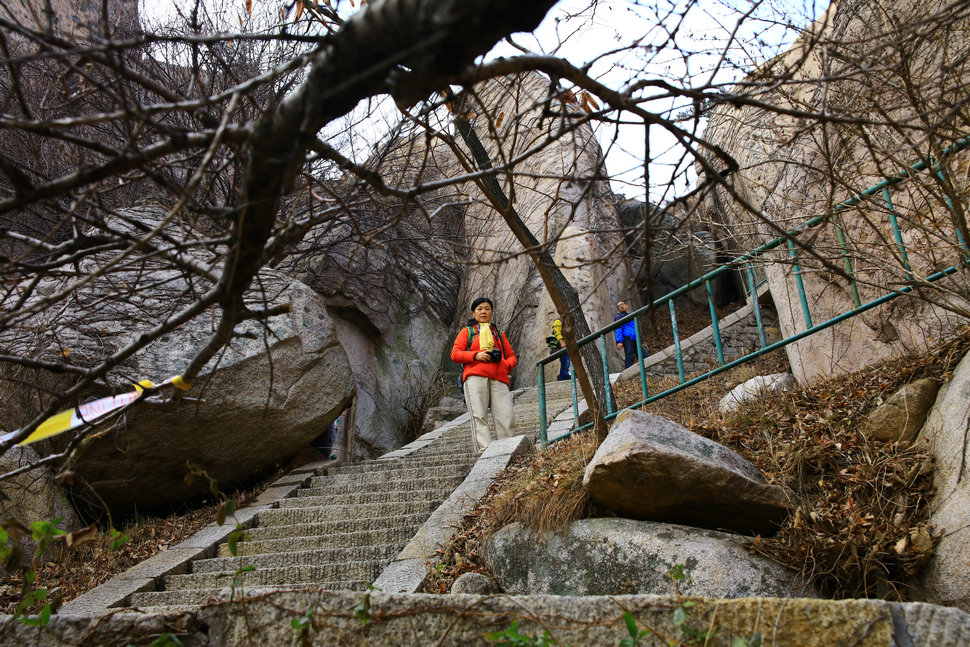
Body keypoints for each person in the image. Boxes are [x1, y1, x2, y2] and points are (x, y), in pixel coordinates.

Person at [451, 297, 518, 452]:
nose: (483, 312)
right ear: (473, 312)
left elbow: (512, 356)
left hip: (499, 378)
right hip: (475, 377)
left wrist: (506, 365)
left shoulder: (498, 333)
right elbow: (455, 354)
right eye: (479, 308)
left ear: (491, 312)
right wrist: (476, 356)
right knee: (479, 415)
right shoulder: (467, 332)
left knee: (506, 416)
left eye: (487, 308)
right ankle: (485, 451)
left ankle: (507, 449)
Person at [614, 300, 640, 369]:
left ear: (626, 306)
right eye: (619, 306)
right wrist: (619, 341)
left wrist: (641, 341)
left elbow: (636, 328)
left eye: (622, 304)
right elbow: (618, 329)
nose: (621, 306)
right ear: (618, 309)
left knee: (643, 355)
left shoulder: (631, 316)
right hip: (628, 339)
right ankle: (627, 376)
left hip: (635, 338)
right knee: (629, 356)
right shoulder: (619, 317)